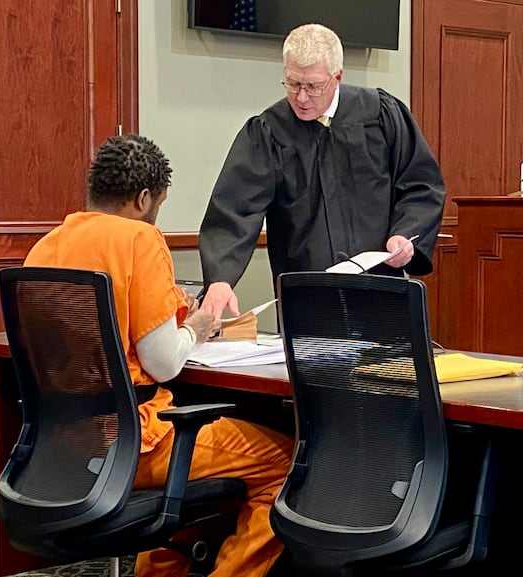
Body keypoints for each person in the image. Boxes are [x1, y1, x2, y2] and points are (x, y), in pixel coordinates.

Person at [24, 134, 293, 577]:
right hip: (137, 442)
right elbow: (164, 363)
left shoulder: (48, 246)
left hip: (64, 445)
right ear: (144, 198)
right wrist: (197, 329)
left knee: (199, 488)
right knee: (285, 462)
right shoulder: (139, 239)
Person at [199, 23, 446, 318]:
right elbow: (235, 209)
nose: (301, 98)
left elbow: (421, 185)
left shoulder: (379, 114)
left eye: (313, 86)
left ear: (337, 77)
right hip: (307, 297)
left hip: (380, 289)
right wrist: (220, 278)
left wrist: (406, 235)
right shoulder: (269, 131)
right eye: (292, 83)